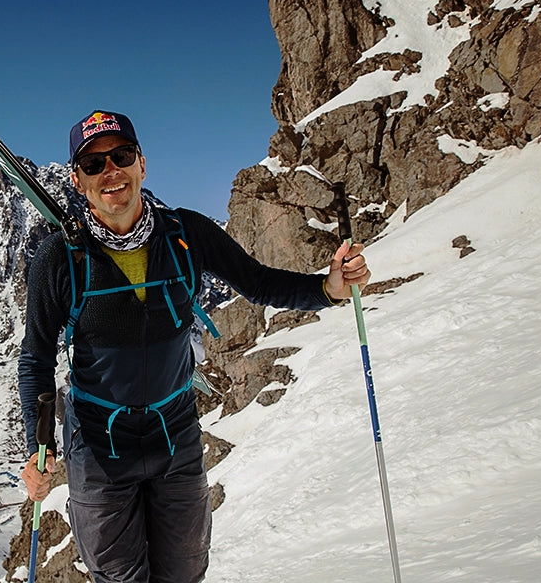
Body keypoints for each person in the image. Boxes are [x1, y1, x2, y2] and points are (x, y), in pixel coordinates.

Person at [18, 110, 370, 583]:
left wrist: (327, 290)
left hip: (175, 435)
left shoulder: (186, 234)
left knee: (184, 573)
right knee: (120, 577)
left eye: (121, 156)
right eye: (94, 165)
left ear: (142, 163)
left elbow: (258, 283)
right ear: (77, 181)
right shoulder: (60, 258)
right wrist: (35, 447)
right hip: (100, 448)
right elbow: (36, 355)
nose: (111, 172)